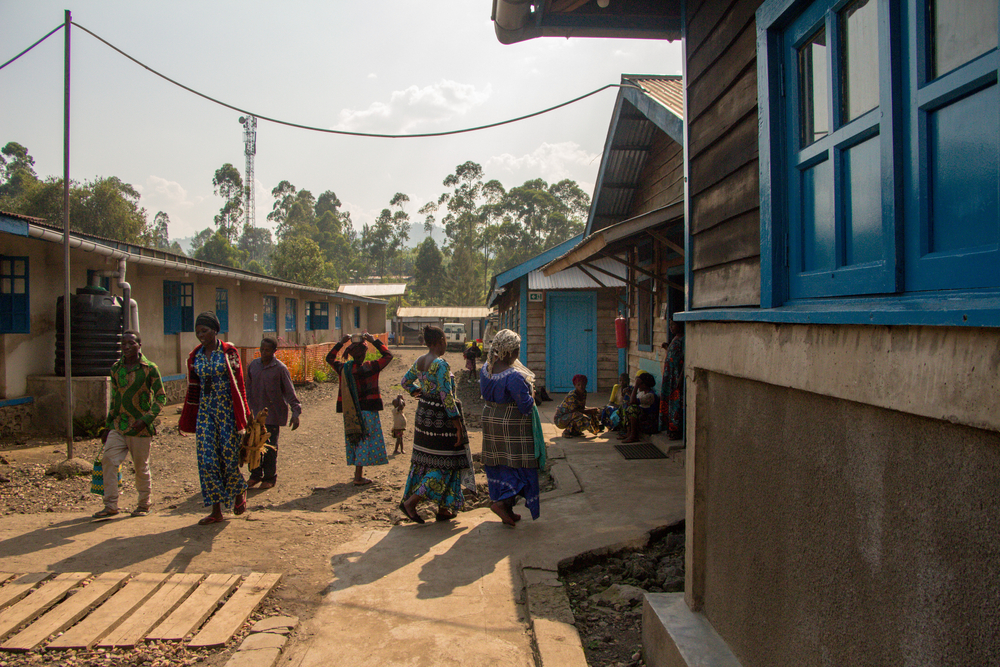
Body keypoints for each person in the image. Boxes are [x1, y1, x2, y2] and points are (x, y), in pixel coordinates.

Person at [179, 312, 252, 525]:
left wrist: (245, 412)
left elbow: (239, 384)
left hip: (227, 412)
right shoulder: (195, 356)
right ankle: (216, 510)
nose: (201, 335)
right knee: (207, 460)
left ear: (215, 330)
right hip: (205, 413)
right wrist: (185, 417)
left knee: (229, 459)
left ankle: (239, 490)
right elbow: (192, 389)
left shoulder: (229, 352)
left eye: (205, 331)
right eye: (198, 332)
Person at [398, 325, 472, 524]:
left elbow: (405, 382)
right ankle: (412, 502)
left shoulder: (420, 361)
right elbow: (446, 396)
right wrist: (457, 424)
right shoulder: (441, 364)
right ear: (440, 340)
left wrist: (418, 392)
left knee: (428, 460)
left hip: (423, 417)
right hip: (441, 421)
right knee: (447, 464)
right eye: (445, 340)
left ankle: (444, 509)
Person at [93, 330, 167, 519]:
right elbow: (114, 399)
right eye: (123, 344)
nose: (126, 347)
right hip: (119, 425)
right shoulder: (117, 369)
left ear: (139, 346)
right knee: (108, 460)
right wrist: (108, 426)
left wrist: (146, 420)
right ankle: (110, 505)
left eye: (130, 343)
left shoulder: (150, 368)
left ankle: (144, 504)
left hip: (140, 428)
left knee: (140, 467)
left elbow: (160, 397)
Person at [479, 329, 544, 526]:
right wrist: (532, 395)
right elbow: (525, 406)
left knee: (501, 464)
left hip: (491, 422)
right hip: (512, 427)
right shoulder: (513, 376)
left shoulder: (485, 369)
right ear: (511, 352)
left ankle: (506, 509)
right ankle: (502, 502)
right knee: (520, 466)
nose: (518, 354)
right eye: (517, 350)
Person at [326, 332, 392, 486]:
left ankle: (357, 473)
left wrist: (341, 342)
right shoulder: (371, 367)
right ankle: (358, 476)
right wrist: (374, 340)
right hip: (368, 408)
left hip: (351, 410)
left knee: (355, 438)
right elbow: (388, 355)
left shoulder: (344, 368)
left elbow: (329, 358)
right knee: (364, 439)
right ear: (364, 354)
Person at [245, 337, 302, 490]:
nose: (264, 353)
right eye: (262, 349)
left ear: (274, 351)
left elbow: (290, 392)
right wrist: (246, 409)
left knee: (269, 448)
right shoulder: (253, 366)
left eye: (267, 350)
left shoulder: (280, 369)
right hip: (255, 414)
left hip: (272, 415)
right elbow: (247, 389)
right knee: (253, 445)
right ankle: (255, 475)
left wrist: (295, 412)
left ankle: (269, 477)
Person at [659, 319, 685, 440]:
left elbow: (685, 359)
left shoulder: (683, 340)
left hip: (676, 376)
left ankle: (676, 429)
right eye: (670, 326)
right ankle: (669, 427)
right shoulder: (675, 339)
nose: (671, 328)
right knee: (669, 401)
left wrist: (680, 377)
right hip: (669, 376)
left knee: (676, 403)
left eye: (673, 325)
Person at [620, 371, 659, 443]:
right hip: (643, 420)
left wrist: (636, 387)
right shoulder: (642, 393)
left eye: (640, 384)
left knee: (632, 408)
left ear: (645, 384)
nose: (638, 386)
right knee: (626, 406)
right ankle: (629, 432)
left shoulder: (650, 395)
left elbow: (632, 402)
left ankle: (633, 435)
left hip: (649, 424)